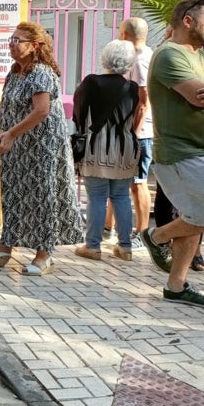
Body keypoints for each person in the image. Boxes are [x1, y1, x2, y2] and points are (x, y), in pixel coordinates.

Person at [137, 0, 204, 308]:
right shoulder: (169, 54)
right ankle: (155, 236)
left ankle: (176, 286)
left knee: (197, 215)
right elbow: (200, 97)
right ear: (187, 21)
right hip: (182, 153)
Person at [0, 22, 82, 276]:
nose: (11, 45)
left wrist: (11, 133)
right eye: (11, 40)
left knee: (42, 198)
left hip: (42, 148)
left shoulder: (42, 73)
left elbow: (42, 110)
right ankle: (4, 247)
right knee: (13, 193)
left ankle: (44, 255)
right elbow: (4, 103)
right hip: (17, 146)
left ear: (34, 46)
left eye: (18, 41)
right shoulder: (15, 72)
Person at [71, 40, 142, 261]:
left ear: (105, 57)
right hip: (125, 146)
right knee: (121, 196)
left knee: (97, 196)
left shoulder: (92, 82)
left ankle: (92, 245)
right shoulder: (132, 88)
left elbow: (78, 113)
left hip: (97, 145)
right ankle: (125, 246)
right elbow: (135, 116)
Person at [120, 17, 153, 239]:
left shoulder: (141, 60)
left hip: (140, 133)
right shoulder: (144, 55)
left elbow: (143, 101)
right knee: (125, 181)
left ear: (124, 35)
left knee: (138, 183)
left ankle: (142, 232)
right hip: (135, 130)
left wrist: (133, 133)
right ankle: (108, 226)